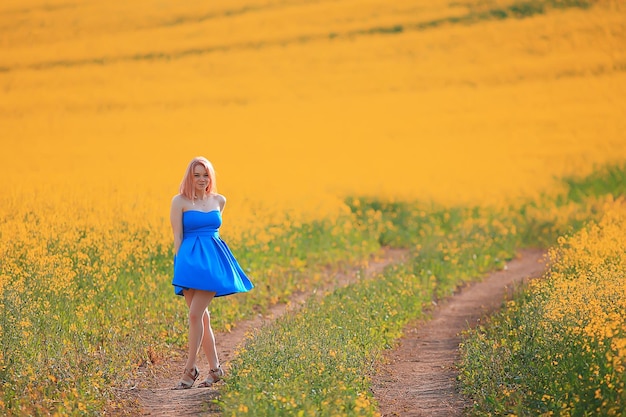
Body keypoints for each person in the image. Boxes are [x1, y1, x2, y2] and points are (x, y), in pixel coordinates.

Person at [170, 156, 253, 390]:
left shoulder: (219, 200)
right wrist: (180, 268)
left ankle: (190, 369)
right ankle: (216, 369)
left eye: (205, 174)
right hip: (188, 263)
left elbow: (213, 233)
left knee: (195, 315)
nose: (201, 179)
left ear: (210, 177)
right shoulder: (179, 202)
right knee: (202, 317)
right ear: (189, 176)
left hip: (212, 262)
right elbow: (178, 238)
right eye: (196, 175)